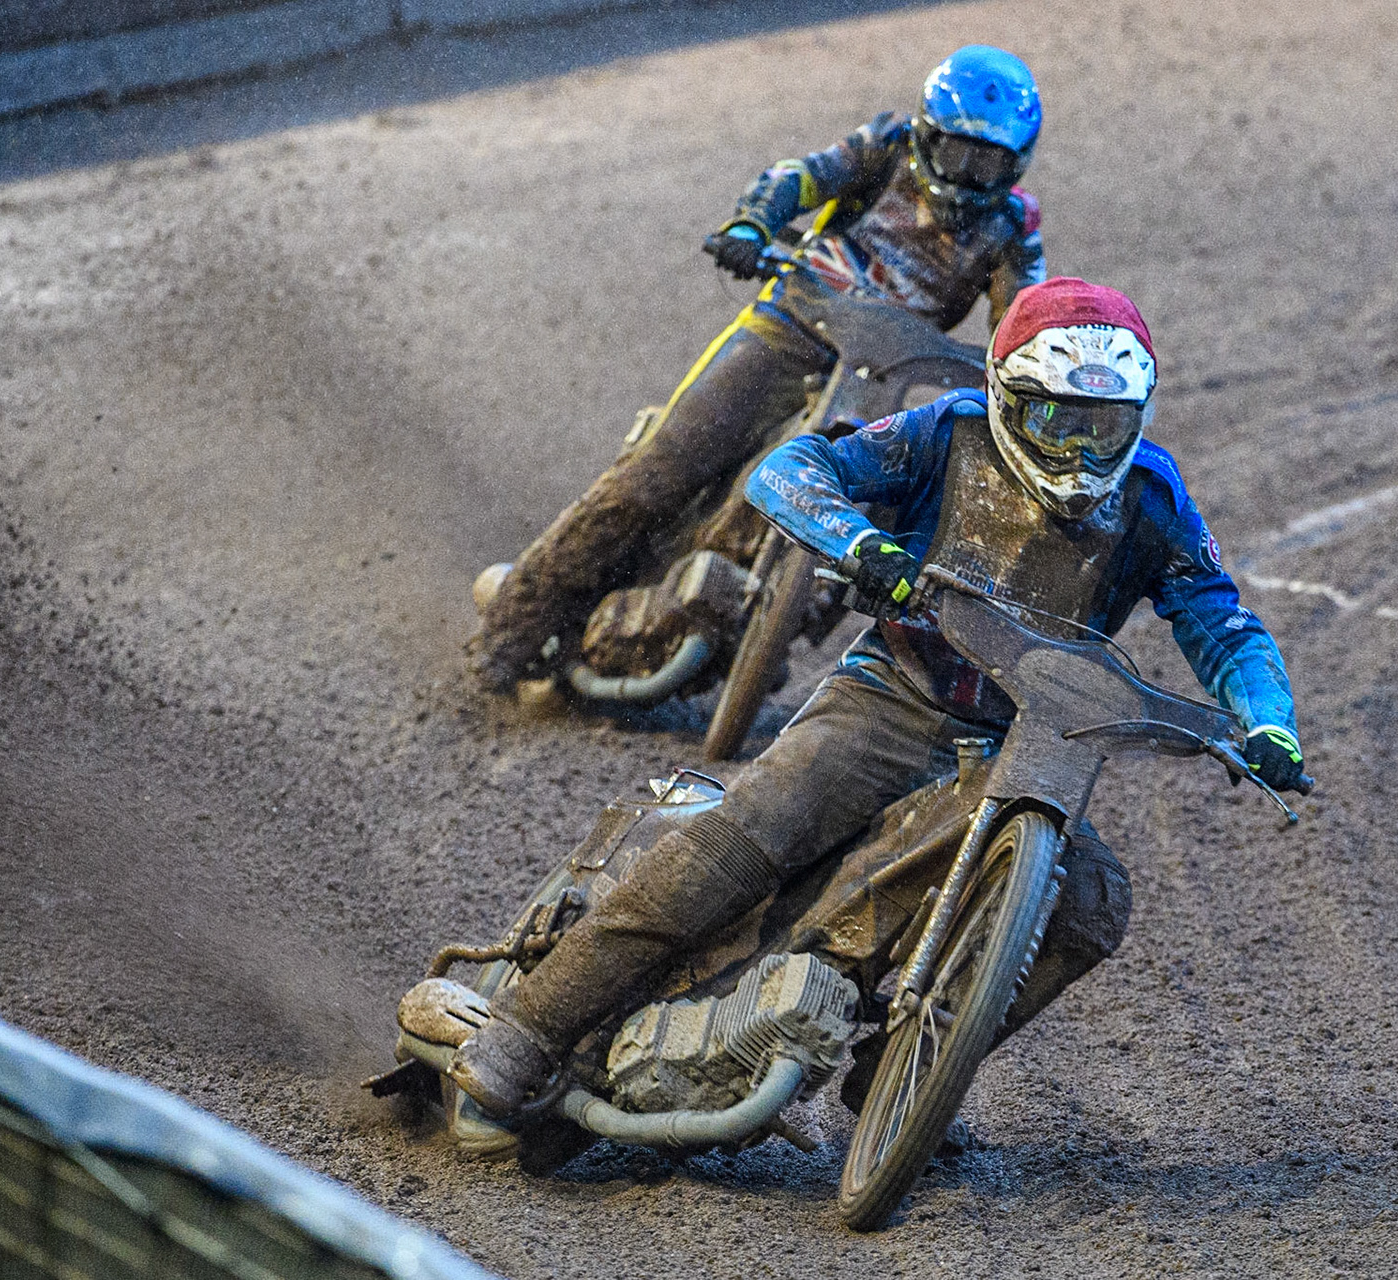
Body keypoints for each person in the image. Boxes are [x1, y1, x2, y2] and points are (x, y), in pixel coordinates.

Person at [447, 277, 1308, 1117]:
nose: (1081, 450)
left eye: (1103, 425)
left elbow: (1222, 623)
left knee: (1091, 903)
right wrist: (858, 541)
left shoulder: (1154, 497)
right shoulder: (947, 431)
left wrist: (1269, 722)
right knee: (745, 842)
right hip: (893, 697)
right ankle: (526, 1029)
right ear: (1007, 398)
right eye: (1055, 418)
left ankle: (906, 1078)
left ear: (1139, 416)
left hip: (1034, 740)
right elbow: (791, 467)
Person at [468, 45, 1050, 691]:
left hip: (883, 378)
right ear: (925, 134)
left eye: (988, 161)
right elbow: (800, 177)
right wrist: (753, 222)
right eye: (958, 154)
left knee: (870, 513)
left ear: (1016, 163)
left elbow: (1021, 319)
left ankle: (728, 624)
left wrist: (1026, 378)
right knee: (659, 471)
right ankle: (511, 627)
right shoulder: (883, 148)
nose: (969, 176)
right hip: (791, 327)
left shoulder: (1014, 230)